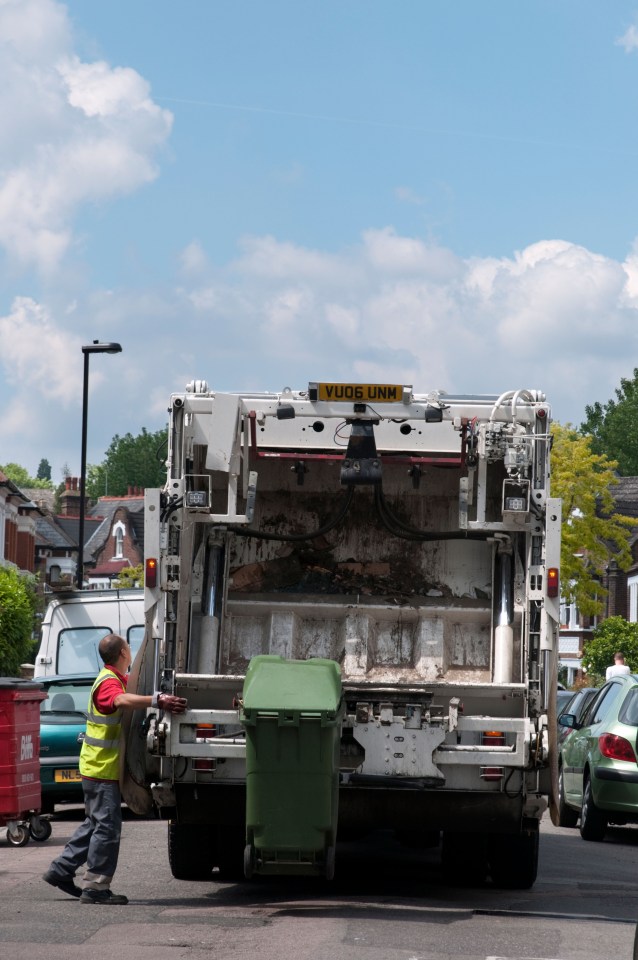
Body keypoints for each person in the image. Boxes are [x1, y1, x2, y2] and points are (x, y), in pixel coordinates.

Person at [43, 633, 187, 905]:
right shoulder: (109, 683)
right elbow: (119, 702)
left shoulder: (114, 679)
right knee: (107, 827)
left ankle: (61, 870)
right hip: (101, 769)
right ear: (122, 653)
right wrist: (157, 700)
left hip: (97, 766)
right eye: (128, 647)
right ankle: (96, 887)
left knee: (95, 824)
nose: (131, 651)